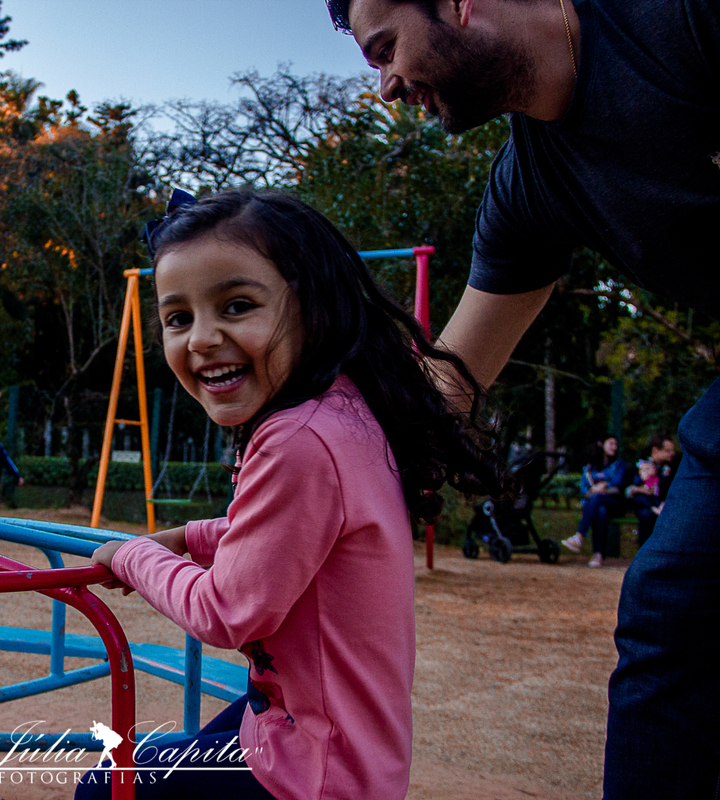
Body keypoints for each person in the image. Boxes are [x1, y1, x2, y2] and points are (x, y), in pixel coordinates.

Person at [329, 0, 718, 792]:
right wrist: (308, 474)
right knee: (673, 608)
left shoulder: (673, 20)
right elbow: (447, 383)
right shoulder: (531, 185)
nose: (386, 86)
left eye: (386, 48)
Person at [83, 192, 509, 800]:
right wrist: (193, 537)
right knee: (175, 751)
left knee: (108, 788)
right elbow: (293, 535)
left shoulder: (298, 440)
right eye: (178, 318)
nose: (201, 338)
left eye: (237, 306)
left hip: (315, 774)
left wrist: (133, 556)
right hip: (325, 737)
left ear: (313, 307)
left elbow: (226, 611)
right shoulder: (340, 411)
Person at [561, 435, 627, 567]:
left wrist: (605, 485)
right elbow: (584, 491)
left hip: (615, 505)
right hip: (596, 505)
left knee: (598, 499)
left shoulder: (619, 464)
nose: (614, 447)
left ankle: (579, 536)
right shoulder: (589, 468)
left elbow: (618, 482)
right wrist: (595, 490)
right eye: (611, 443)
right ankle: (597, 554)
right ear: (601, 444)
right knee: (601, 510)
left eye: (616, 444)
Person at [624, 434, 677, 547]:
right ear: (655, 450)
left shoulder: (671, 468)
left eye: (672, 450)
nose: (672, 453)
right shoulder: (639, 465)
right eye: (667, 451)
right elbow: (626, 489)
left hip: (663, 505)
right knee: (646, 514)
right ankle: (645, 551)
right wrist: (639, 489)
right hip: (642, 505)